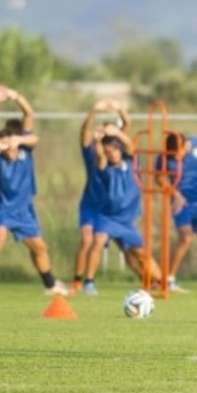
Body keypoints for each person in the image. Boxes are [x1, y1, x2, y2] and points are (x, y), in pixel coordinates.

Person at [0, 86, 69, 297]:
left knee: (39, 248)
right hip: (2, 209)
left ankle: (50, 285)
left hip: (24, 210)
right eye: (6, 144)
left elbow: (30, 117)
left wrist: (15, 96)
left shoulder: (25, 148)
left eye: (12, 143)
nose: (10, 148)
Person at [80, 124, 162, 294]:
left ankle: (160, 281)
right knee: (99, 240)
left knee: (137, 253)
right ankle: (88, 282)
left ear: (120, 149)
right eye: (108, 152)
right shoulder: (105, 168)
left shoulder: (132, 163)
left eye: (115, 150)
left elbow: (131, 146)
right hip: (108, 217)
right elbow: (100, 157)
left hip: (127, 219)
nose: (112, 154)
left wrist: (117, 132)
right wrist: (97, 141)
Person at [73, 99, 130, 292]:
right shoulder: (92, 149)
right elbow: (84, 132)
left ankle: (89, 282)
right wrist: (93, 111)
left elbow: (127, 126)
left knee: (108, 244)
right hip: (90, 203)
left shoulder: (116, 150)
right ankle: (78, 281)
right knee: (87, 240)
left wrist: (120, 109)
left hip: (110, 208)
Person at [160, 132, 197, 293]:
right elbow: (160, 178)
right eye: (173, 155)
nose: (176, 157)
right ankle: (169, 279)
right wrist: (175, 194)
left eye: (179, 153)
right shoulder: (164, 157)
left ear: (186, 146)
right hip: (181, 203)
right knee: (186, 237)